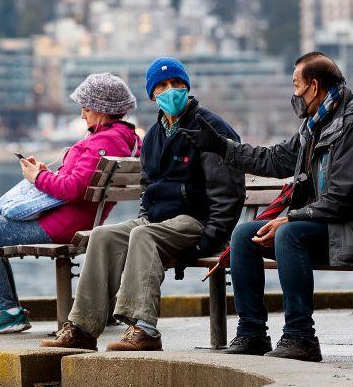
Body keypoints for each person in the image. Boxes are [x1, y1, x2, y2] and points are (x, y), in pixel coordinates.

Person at [186, 52, 353, 362]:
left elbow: (344, 198)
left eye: (296, 85)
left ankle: (301, 337)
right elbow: (272, 159)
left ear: (313, 87)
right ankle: (252, 333)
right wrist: (221, 146)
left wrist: (290, 219)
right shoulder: (314, 126)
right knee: (244, 236)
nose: (295, 94)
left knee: (289, 235)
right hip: (330, 226)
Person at [40, 57, 245, 351]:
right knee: (103, 236)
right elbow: (149, 188)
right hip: (157, 221)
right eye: (162, 86)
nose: (170, 90)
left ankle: (144, 329)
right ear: (152, 95)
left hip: (195, 221)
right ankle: (83, 328)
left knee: (143, 235)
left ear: (186, 86)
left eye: (176, 83)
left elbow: (229, 192)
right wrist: (145, 215)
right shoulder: (153, 136)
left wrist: (211, 239)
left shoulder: (210, 128)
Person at [0, 73, 141, 335]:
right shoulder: (125, 139)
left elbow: (72, 190)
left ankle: (8, 312)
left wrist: (38, 177)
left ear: (103, 110)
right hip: (80, 220)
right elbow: (78, 182)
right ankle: (10, 311)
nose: (82, 115)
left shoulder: (103, 142)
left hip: (62, 224)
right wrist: (49, 174)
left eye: (86, 108)